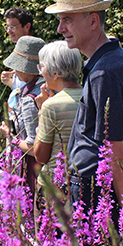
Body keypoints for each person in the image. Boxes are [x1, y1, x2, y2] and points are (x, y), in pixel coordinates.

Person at [45, 0, 123, 218]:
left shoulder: (105, 72)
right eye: (60, 20)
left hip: (96, 197)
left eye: (67, 19)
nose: (60, 29)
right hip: (96, 193)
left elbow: (115, 148)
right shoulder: (122, 59)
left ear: (92, 21)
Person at [32, 41, 83, 224]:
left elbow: (41, 156)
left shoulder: (50, 106)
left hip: (54, 188)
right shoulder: (91, 96)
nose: (40, 72)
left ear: (55, 72)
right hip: (83, 185)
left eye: (42, 66)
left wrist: (41, 112)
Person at [0, 36, 46, 196]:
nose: (15, 71)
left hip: (32, 171)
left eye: (17, 67)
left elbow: (33, 148)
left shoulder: (28, 100)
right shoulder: (46, 89)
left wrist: (10, 136)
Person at [1, 7, 33, 90]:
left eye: (13, 27)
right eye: (7, 27)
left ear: (27, 27)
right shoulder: (19, 49)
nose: (8, 31)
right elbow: (21, 89)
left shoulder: (35, 51)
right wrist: (9, 81)